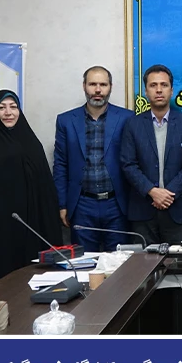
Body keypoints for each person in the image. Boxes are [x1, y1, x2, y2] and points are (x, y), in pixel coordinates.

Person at [0, 90, 62, 276]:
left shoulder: (31, 142)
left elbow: (45, 186)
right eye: (1, 108)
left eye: (13, 107)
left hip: (30, 221)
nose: (8, 113)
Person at [53, 66, 134, 251]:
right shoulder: (66, 121)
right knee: (84, 261)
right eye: (93, 84)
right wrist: (62, 204)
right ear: (84, 86)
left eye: (103, 85)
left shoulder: (127, 118)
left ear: (110, 87)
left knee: (120, 261)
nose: (98, 90)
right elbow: (61, 165)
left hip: (117, 204)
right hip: (82, 204)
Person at [120, 64, 182, 245]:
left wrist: (168, 194)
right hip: (143, 210)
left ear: (171, 91)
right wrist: (152, 191)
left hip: (177, 209)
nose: (158, 90)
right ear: (145, 91)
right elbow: (128, 164)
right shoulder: (132, 124)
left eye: (164, 85)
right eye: (153, 85)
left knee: (177, 261)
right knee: (143, 261)